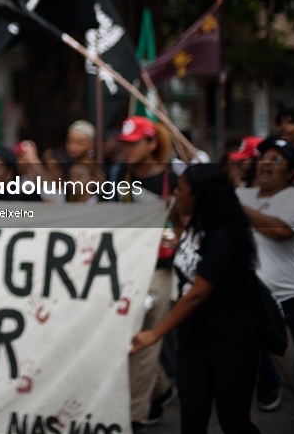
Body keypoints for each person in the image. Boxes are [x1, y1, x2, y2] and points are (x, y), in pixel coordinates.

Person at [131, 164, 262, 434]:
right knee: (192, 422)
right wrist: (172, 211)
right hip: (194, 341)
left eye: (181, 189)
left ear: (199, 194)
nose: (176, 193)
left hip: (231, 340)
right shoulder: (196, 224)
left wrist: (156, 334)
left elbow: (197, 293)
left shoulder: (225, 234)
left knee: (233, 422)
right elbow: (179, 239)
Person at [111, 115, 178, 433]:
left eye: (134, 143)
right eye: (124, 144)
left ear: (152, 143)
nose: (127, 150)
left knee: (145, 341)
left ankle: (136, 416)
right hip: (124, 269)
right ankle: (161, 389)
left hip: (157, 271)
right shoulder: (116, 177)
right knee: (123, 338)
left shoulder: (174, 180)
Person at [237, 137, 294, 415]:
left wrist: (236, 205)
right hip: (245, 302)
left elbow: (280, 232)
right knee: (233, 382)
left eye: (276, 160)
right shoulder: (241, 194)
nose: (266, 162)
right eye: (264, 157)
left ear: (291, 172)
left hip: (288, 301)